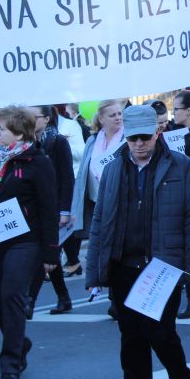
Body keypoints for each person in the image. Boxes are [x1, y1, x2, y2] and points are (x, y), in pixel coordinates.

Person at [85, 105, 190, 379]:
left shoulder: (181, 166)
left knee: (161, 334)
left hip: (162, 267)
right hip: (124, 265)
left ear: (157, 133)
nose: (138, 144)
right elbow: (100, 222)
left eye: (144, 137)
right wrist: (95, 269)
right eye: (132, 138)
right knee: (131, 341)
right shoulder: (113, 170)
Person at [0, 107, 59, 379]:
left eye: (1, 129)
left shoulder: (38, 162)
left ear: (19, 133)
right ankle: (19, 342)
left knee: (12, 295)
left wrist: (50, 251)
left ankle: (10, 363)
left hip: (26, 240)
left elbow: (48, 207)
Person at [65, 99, 126, 282]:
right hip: (96, 203)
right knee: (99, 245)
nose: (117, 118)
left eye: (119, 114)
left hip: (120, 202)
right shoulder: (93, 140)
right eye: (112, 115)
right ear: (101, 119)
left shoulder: (127, 138)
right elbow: (83, 175)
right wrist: (76, 208)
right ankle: (103, 280)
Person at [30, 105, 76, 315]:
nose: (30, 120)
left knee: (47, 253)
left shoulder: (57, 141)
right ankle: (63, 298)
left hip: (56, 206)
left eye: (35, 116)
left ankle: (29, 301)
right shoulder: (27, 143)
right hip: (36, 207)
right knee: (51, 254)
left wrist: (64, 210)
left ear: (47, 119)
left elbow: (67, 178)